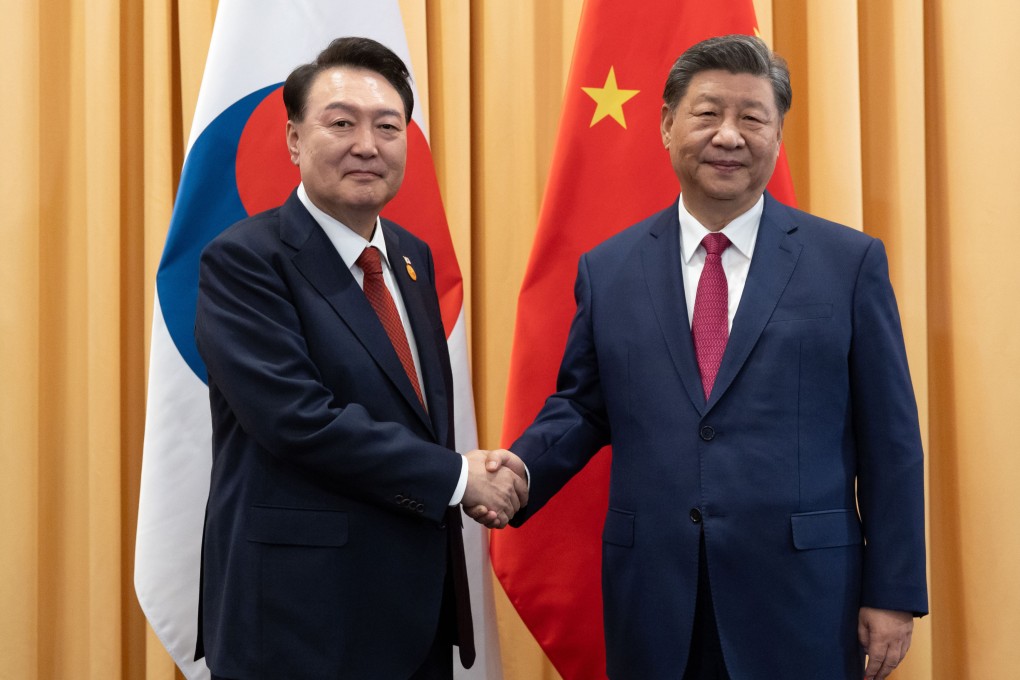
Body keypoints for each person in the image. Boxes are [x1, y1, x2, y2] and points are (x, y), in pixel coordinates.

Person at [470, 34, 927, 680]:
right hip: (656, 599)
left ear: (778, 132)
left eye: (752, 117)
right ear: (665, 124)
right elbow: (582, 405)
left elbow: (892, 441)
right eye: (708, 113)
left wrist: (895, 590)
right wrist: (518, 472)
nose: (730, 136)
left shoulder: (848, 266)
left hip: (804, 601)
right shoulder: (610, 269)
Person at [193, 37, 526, 680]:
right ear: (293, 140)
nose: (367, 145)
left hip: (415, 617)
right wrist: (459, 478)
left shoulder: (412, 257)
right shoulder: (244, 261)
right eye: (341, 123)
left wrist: (465, 474)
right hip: (299, 620)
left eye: (388, 126)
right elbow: (299, 420)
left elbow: (412, 416)